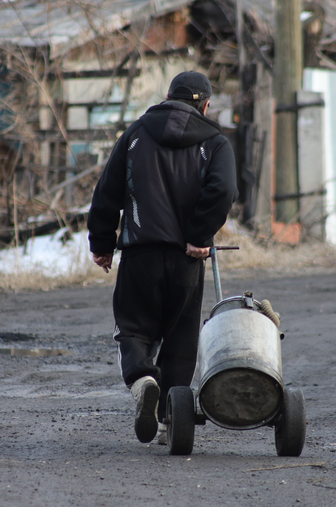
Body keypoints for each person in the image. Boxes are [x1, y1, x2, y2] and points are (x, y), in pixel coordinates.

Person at [87, 71, 238, 445]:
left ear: (167, 97)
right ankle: (173, 416)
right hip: (187, 258)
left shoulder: (136, 133)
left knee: (135, 327)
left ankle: (142, 381)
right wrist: (198, 235)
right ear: (205, 105)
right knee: (181, 337)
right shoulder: (216, 143)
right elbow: (224, 190)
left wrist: (102, 243)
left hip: (141, 253)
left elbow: (107, 191)